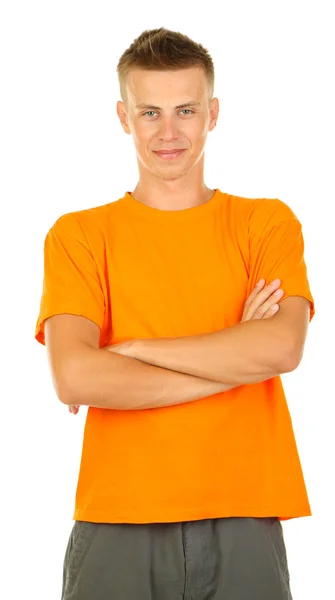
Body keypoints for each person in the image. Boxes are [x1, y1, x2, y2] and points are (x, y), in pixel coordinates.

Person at [35, 27, 315, 600]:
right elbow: (77, 375)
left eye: (186, 110)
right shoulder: (80, 235)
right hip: (117, 514)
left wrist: (133, 350)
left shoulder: (266, 224)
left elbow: (282, 350)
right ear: (123, 116)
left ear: (213, 113)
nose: (168, 132)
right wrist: (235, 352)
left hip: (245, 510)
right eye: (150, 112)